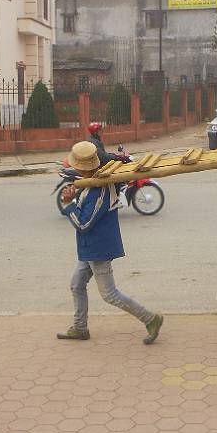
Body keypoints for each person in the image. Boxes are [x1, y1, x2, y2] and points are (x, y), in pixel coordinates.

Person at [57, 141, 163, 344]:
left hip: (99, 249)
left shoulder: (100, 190)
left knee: (109, 294)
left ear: (81, 166)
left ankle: (151, 319)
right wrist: (71, 200)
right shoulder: (90, 182)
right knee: (77, 284)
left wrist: (68, 204)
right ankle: (80, 328)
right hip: (89, 248)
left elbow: (83, 223)